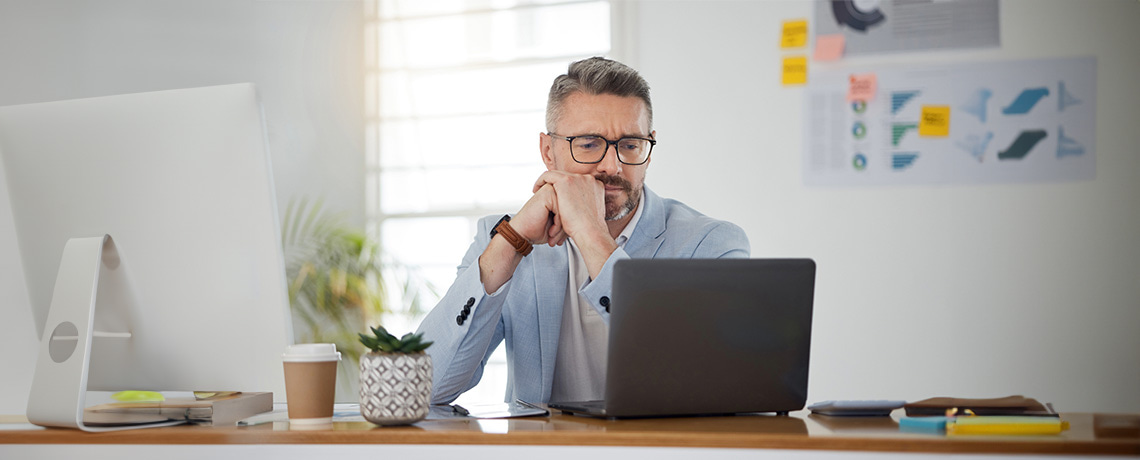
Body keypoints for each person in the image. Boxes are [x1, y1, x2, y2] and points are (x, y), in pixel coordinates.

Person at [416, 57, 749, 405]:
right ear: (548, 151)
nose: (612, 165)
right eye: (589, 144)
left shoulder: (711, 245)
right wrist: (511, 245)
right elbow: (423, 389)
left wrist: (591, 234)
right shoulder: (503, 237)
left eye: (630, 144)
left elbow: (702, 381)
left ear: (648, 150)